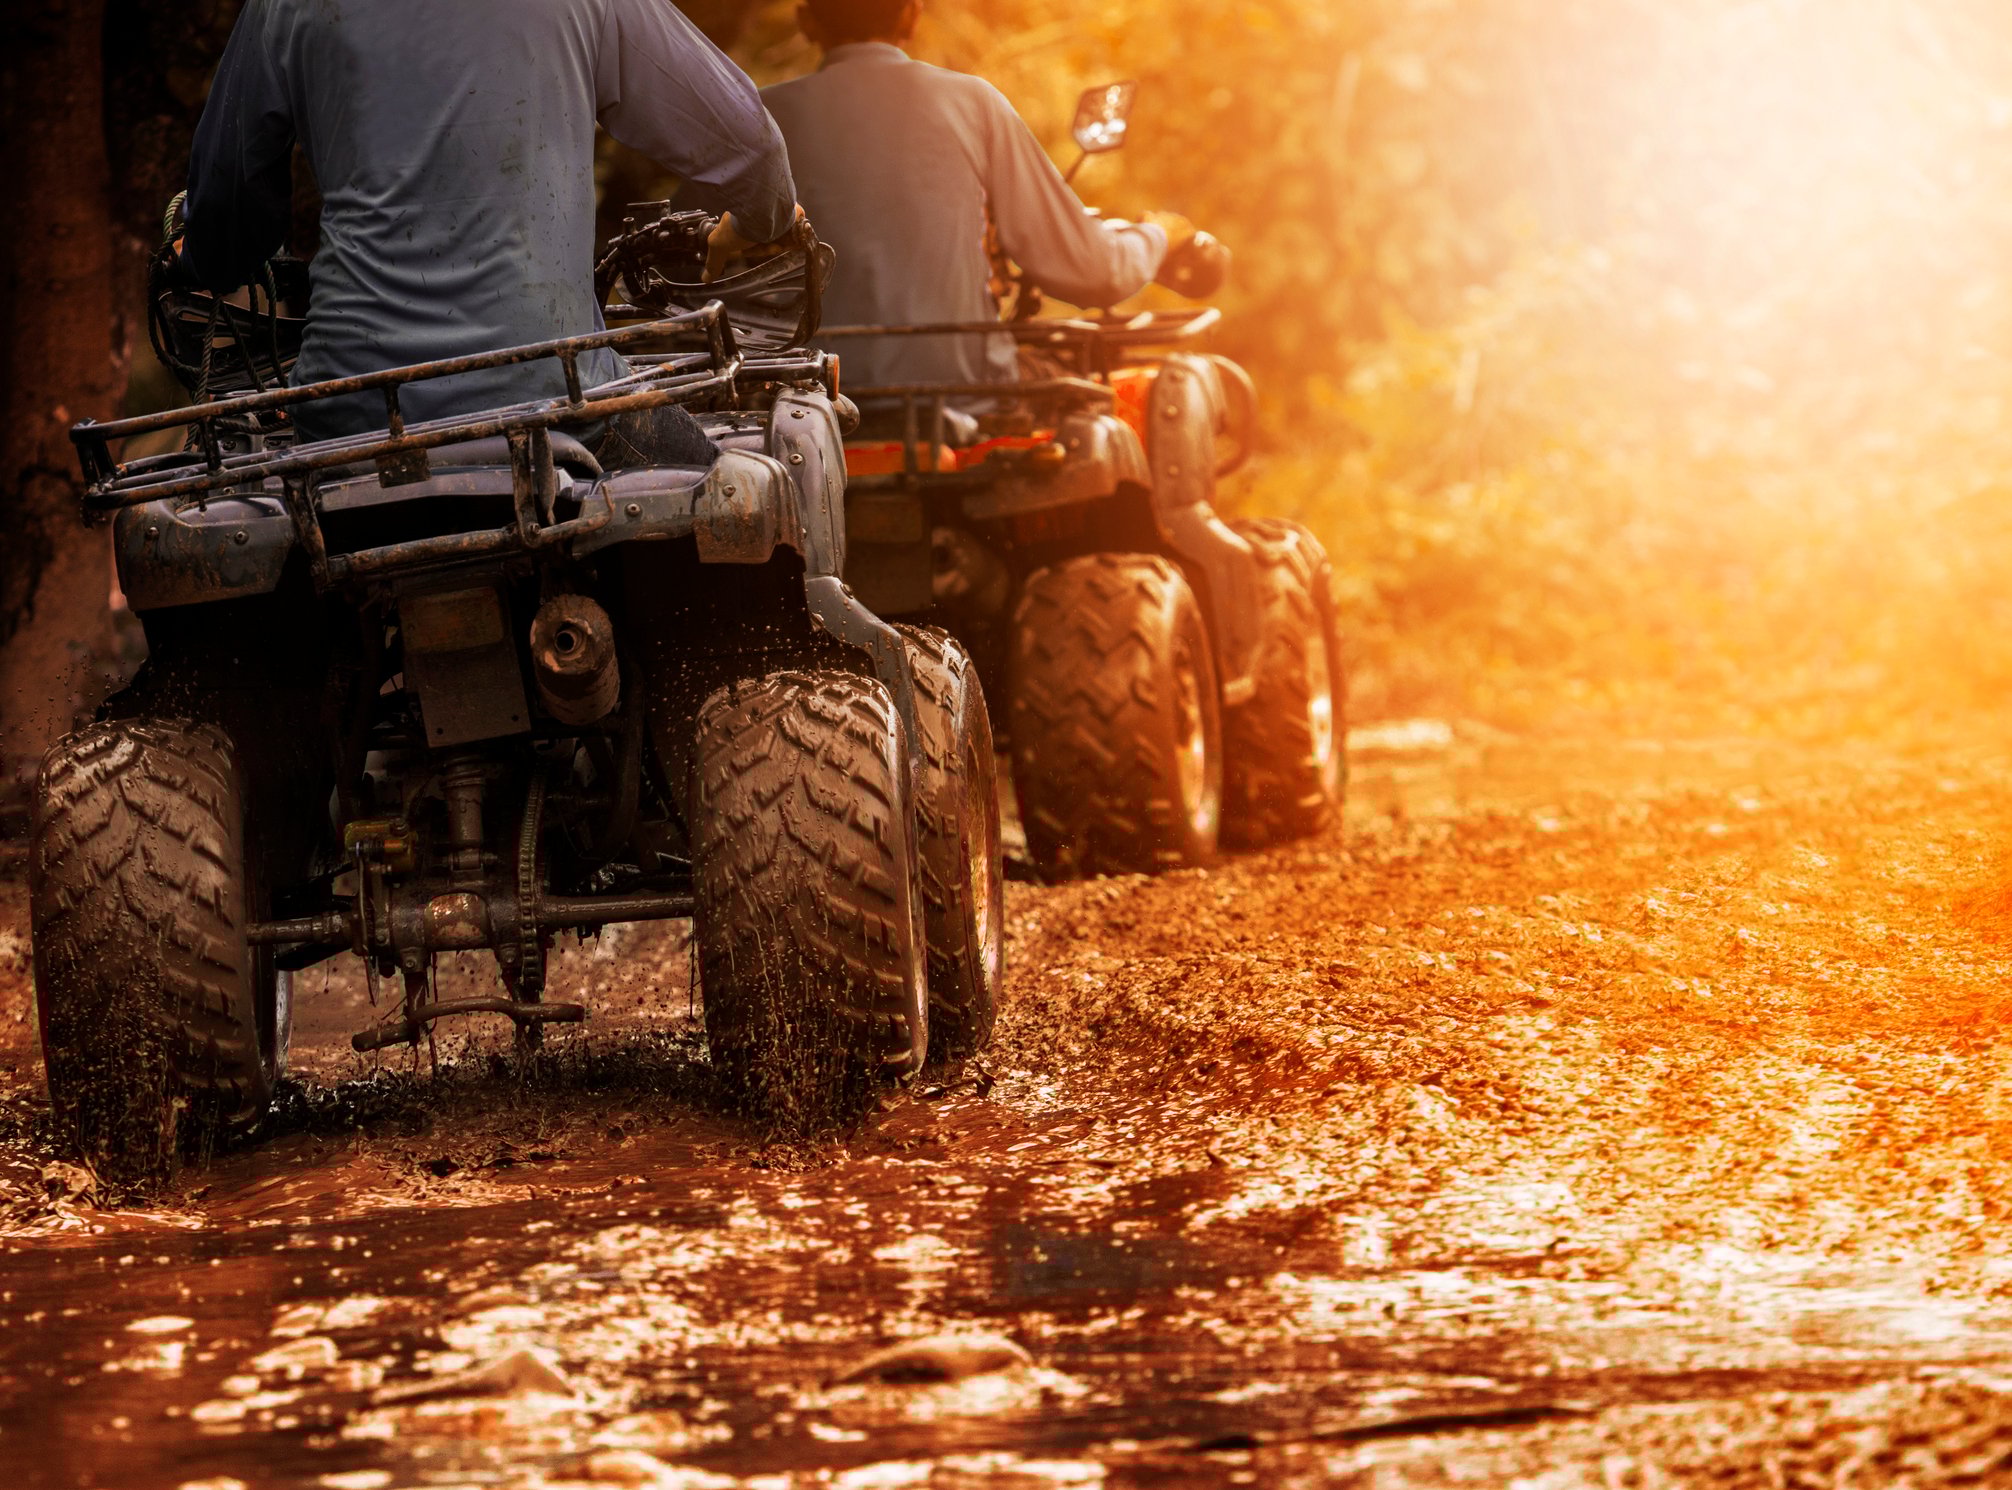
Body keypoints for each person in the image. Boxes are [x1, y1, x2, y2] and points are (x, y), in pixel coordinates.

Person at [180, 0, 801, 466]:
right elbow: (751, 151)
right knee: (735, 513)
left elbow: (226, 208)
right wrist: (747, 228)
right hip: (555, 392)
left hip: (352, 408)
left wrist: (207, 257)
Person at [760, 0, 1175, 398]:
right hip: (965, 393)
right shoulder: (972, 102)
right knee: (1098, 392)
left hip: (801, 404)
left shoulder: (762, 118)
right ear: (912, 15)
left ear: (806, 21)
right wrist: (1159, 236)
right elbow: (1090, 270)